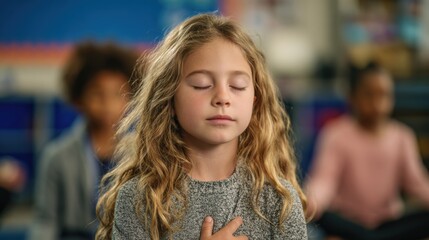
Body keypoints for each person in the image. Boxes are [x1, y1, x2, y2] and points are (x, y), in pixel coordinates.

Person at [96, 13, 308, 240]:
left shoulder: (279, 202)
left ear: (254, 100)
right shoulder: (138, 200)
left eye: (237, 86)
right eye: (202, 84)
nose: (222, 98)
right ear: (170, 97)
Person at [305, 62, 429, 240]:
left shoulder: (402, 136)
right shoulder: (336, 134)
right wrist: (311, 202)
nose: (378, 104)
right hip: (349, 222)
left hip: (387, 224)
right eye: (369, 95)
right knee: (322, 218)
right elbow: (325, 180)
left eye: (384, 95)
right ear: (352, 97)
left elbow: (417, 183)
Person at [30, 41, 138, 240]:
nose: (107, 103)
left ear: (131, 98)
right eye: (97, 93)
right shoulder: (56, 156)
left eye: (117, 93)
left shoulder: (143, 154)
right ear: (78, 97)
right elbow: (46, 221)